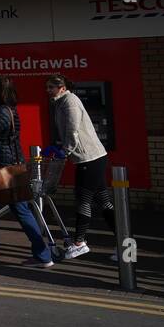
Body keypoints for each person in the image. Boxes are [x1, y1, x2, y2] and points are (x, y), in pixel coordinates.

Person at [0, 77, 54, 270]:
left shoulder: (0, 112)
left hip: (1, 169)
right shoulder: (11, 111)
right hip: (13, 166)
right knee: (22, 211)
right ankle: (43, 254)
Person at [48, 75, 113, 260]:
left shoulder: (70, 101)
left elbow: (73, 130)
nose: (48, 90)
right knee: (103, 201)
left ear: (62, 87)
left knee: (83, 199)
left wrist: (65, 151)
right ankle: (124, 238)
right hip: (91, 157)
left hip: (89, 158)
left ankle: (79, 243)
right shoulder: (61, 103)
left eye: (51, 87)